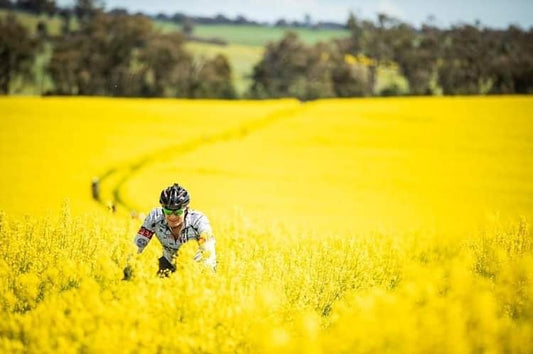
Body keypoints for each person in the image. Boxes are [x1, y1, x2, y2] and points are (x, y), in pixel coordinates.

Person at [124, 183, 216, 279]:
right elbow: (138, 245)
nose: (172, 217)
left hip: (196, 264)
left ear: (186, 209)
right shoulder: (155, 217)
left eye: (178, 212)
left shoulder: (198, 219)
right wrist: (128, 268)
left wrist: (207, 274)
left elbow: (206, 239)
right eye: (167, 212)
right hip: (169, 261)